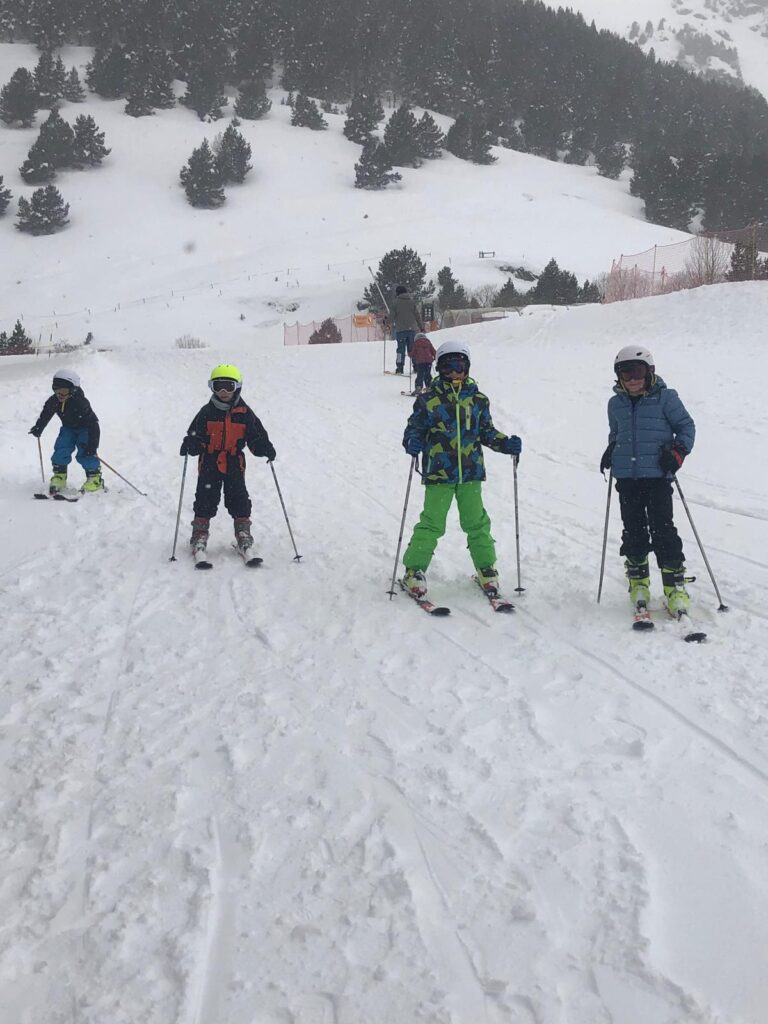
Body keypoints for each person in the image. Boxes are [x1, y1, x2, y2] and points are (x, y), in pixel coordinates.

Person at [401, 340, 521, 597]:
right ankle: (414, 570)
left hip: (470, 473)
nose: (455, 372)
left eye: (460, 366)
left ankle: (486, 568)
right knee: (432, 523)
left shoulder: (478, 400)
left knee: (476, 522)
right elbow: (414, 429)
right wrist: (412, 441)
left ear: (467, 367)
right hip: (439, 473)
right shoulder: (428, 400)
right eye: (448, 367)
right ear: (439, 368)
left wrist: (505, 444)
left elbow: (486, 432)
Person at [600, 345, 695, 614]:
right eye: (625, 373)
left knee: (663, 529)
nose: (632, 379)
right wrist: (612, 449)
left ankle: (674, 587)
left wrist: (678, 452)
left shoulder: (666, 398)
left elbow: (686, 427)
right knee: (633, 530)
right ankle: (638, 582)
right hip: (627, 478)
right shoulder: (615, 404)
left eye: (637, 372)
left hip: (657, 476)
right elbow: (616, 433)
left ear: (650, 372)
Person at [180, 364, 276, 556]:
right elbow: (195, 434)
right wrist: (192, 443)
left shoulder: (245, 413)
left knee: (238, 497)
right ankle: (199, 534)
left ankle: (243, 533)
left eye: (228, 387)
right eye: (218, 386)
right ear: (212, 388)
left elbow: (255, 436)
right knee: (205, 497)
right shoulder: (206, 412)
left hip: (234, 462)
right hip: (209, 462)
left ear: (237, 387)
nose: (223, 392)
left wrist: (263, 447)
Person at [29, 368, 103, 494]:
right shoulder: (54, 401)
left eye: (64, 391)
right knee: (61, 448)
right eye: (56, 390)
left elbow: (93, 424)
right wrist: (39, 427)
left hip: (86, 429)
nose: (60, 395)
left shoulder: (81, 403)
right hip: (68, 428)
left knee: (85, 453)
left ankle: (95, 479)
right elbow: (46, 413)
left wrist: (92, 445)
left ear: (73, 389)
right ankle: (59, 476)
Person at [390, 285, 424, 374]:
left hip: (400, 330)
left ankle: (400, 367)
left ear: (397, 293)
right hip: (412, 330)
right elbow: (417, 315)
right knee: (412, 349)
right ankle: (416, 366)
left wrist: (385, 322)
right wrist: (421, 326)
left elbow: (391, 318)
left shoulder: (395, 303)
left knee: (400, 350)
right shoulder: (412, 302)